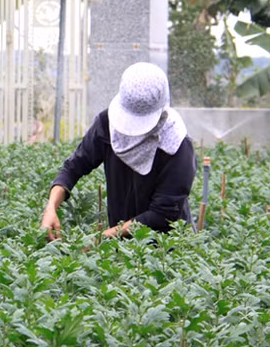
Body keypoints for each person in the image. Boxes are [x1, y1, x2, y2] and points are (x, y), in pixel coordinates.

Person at [40, 62, 196, 239]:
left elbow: (162, 215)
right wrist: (51, 207)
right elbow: (73, 167)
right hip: (118, 242)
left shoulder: (177, 145)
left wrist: (99, 239)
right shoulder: (107, 124)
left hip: (170, 251)